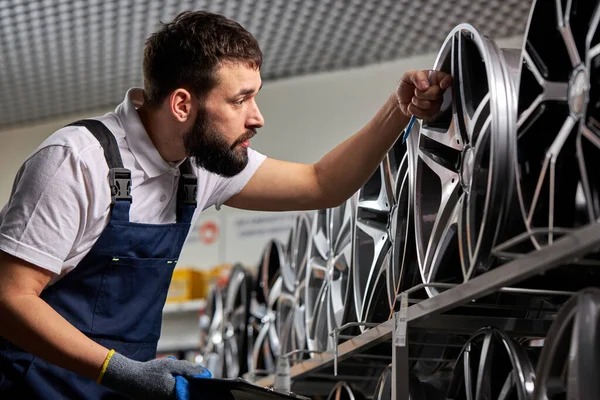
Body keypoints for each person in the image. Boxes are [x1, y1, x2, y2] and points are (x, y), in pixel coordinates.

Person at [0, 9, 451, 400]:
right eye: (240, 100)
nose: (257, 116)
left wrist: (400, 108)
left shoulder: (201, 167)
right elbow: (9, 297)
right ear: (182, 104)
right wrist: (120, 370)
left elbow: (322, 184)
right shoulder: (77, 162)